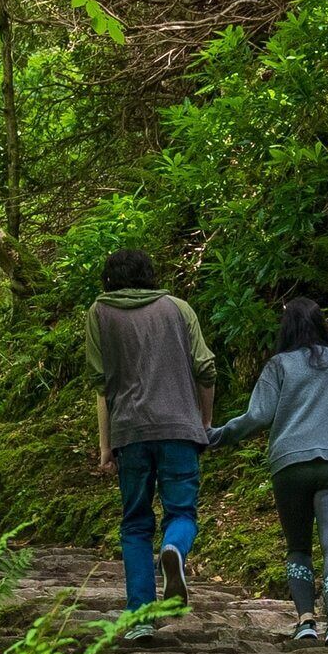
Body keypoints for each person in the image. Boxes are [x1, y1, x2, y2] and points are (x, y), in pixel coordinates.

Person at [209, 288, 328, 643]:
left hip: (289, 466)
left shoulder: (279, 365)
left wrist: (217, 436)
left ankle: (306, 620)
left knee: (298, 547)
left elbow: (258, 415)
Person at [82, 246, 215, 614]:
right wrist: (203, 421)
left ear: (109, 279)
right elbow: (206, 368)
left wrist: (105, 447)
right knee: (183, 513)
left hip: (130, 432)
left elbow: (102, 385)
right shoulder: (178, 308)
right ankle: (173, 548)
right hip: (180, 429)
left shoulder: (99, 312)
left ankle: (140, 613)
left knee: (136, 524)